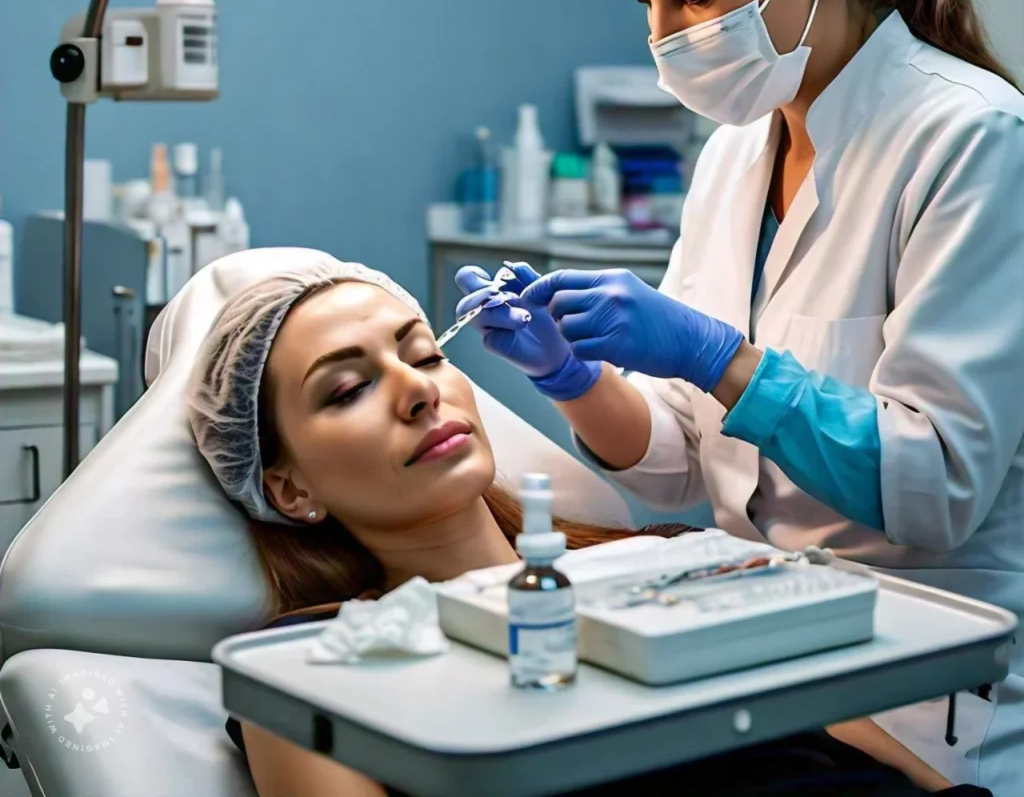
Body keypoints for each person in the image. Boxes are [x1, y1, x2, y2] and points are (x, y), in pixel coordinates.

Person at [455, 0, 1024, 793]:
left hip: (923, 694)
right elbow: (684, 464)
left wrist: (717, 356)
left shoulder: (971, 142)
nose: (665, 35)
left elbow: (934, 482)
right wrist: (575, 375)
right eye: (648, 0)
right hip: (758, 654)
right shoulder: (734, 152)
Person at [186, 258, 980, 797]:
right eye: (349, 388)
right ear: (288, 489)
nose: (419, 392)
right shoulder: (302, 680)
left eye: (424, 356)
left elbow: (884, 761)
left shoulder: (666, 562)